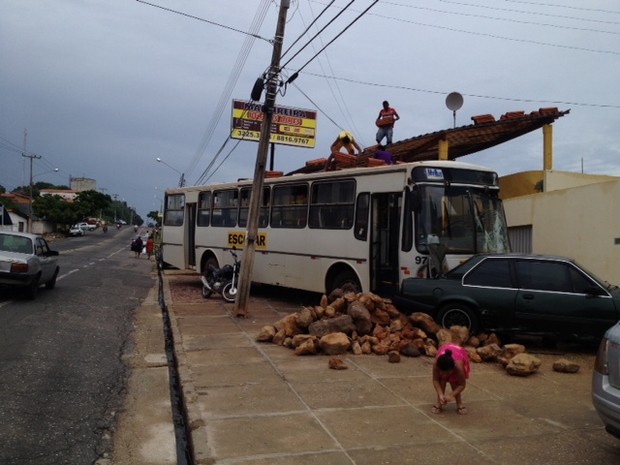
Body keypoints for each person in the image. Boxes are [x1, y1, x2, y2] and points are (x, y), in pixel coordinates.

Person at [431, 343, 471, 415]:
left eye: (447, 373)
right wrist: (440, 394)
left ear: (453, 369)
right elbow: (435, 380)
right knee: (441, 379)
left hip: (458, 353)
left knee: (454, 382)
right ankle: (439, 402)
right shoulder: (436, 363)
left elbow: (462, 385)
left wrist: (451, 395)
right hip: (445, 351)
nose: (445, 375)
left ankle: (459, 404)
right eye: (442, 372)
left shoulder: (458, 367)